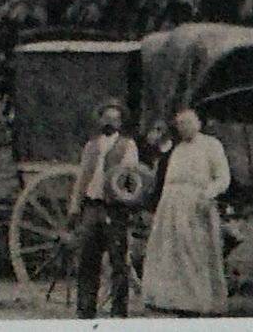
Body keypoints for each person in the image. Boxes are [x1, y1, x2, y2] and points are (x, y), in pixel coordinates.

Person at [141, 107, 230, 315]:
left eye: (188, 122)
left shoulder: (211, 145)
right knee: (170, 252)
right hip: (171, 207)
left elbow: (223, 177)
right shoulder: (177, 149)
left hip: (196, 205)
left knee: (194, 252)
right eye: (180, 124)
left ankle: (198, 301)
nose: (184, 127)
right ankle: (171, 298)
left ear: (198, 123)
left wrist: (208, 194)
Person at [69, 99, 140, 319]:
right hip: (92, 207)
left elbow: (131, 177)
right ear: (100, 120)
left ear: (120, 122)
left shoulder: (128, 146)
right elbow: (82, 177)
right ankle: (85, 311)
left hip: (114, 209)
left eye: (114, 119)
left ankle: (118, 313)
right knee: (87, 261)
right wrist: (75, 206)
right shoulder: (91, 146)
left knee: (118, 262)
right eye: (106, 118)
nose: (110, 122)